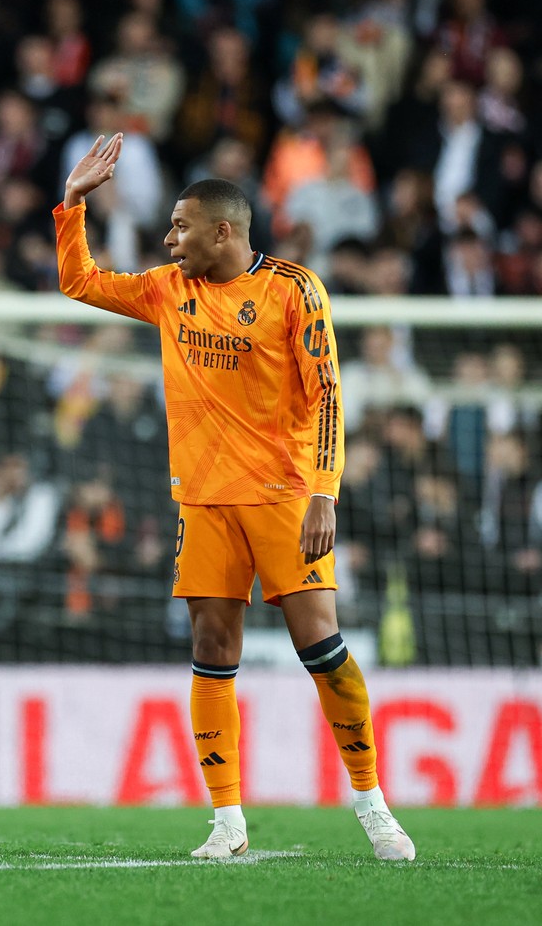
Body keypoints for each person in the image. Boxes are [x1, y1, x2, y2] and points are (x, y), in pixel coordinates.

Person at [54, 134, 415, 862]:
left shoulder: (293, 289)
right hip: (204, 503)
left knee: (323, 647)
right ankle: (227, 819)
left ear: (223, 230)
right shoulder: (167, 289)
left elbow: (329, 398)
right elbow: (80, 283)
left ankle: (372, 802)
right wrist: (71, 205)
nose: (168, 238)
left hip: (284, 498)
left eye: (180, 226)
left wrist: (323, 493)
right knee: (211, 650)